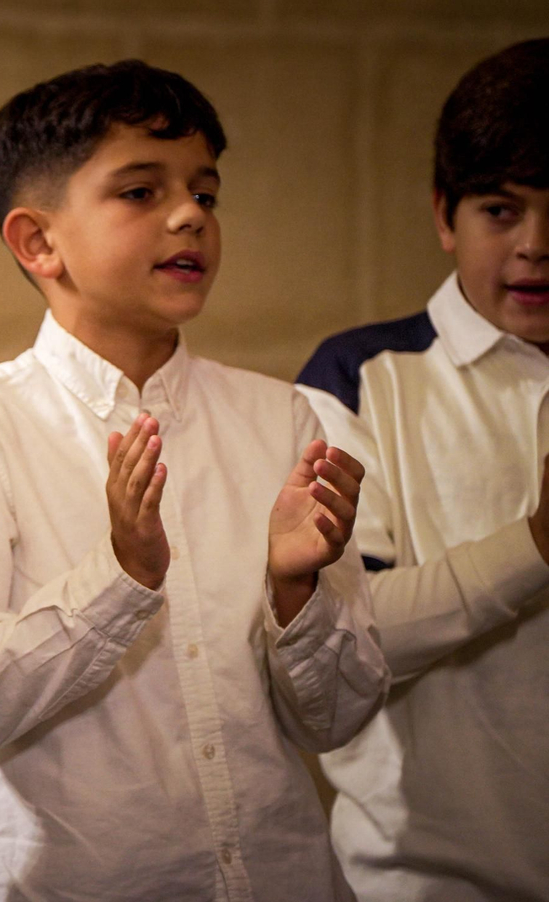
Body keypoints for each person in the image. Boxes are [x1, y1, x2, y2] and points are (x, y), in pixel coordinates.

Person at [0, 61, 389, 901]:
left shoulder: (281, 418)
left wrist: (295, 591)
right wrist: (119, 576)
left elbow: (336, 720)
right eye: (139, 191)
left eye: (206, 192)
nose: (190, 215)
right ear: (38, 242)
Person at [295, 38, 549, 902]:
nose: (537, 245)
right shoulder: (360, 377)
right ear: (446, 215)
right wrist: (535, 545)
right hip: (423, 882)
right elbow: (341, 640)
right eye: (501, 210)